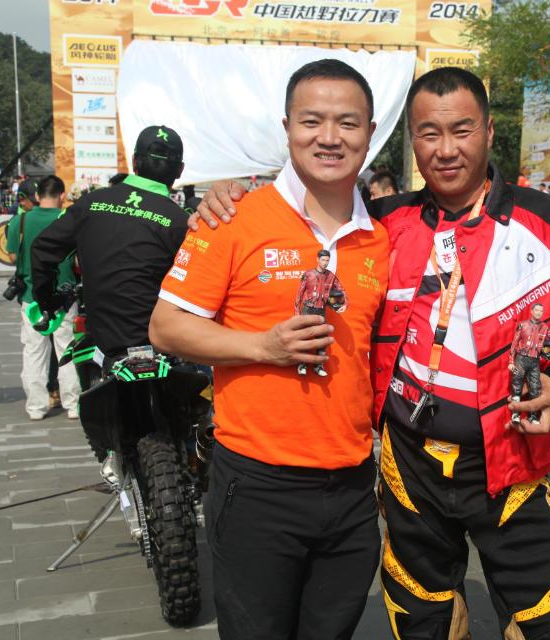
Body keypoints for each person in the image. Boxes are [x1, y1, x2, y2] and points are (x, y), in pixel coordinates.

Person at [195, 65, 550, 640]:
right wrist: (228, 195)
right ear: (410, 141)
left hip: (511, 459)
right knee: (421, 614)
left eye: (461, 130)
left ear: (489, 131)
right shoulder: (381, 225)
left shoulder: (544, 220)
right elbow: (308, 214)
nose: (446, 150)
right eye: (428, 134)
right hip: (409, 463)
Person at [148, 60, 389, 640]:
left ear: (370, 133)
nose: (329, 137)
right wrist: (262, 346)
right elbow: (166, 327)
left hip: (353, 488)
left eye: (347, 123)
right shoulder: (233, 217)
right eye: (312, 121)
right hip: (258, 487)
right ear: (287, 128)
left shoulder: (382, 237)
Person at [31, 125, 189, 367]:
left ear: (134, 161)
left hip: (102, 346)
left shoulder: (91, 203)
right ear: (180, 170)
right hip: (158, 347)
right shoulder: (181, 221)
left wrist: (47, 301)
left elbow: (42, 249)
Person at [5, 175, 80, 421]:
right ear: (62, 196)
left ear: (37, 196)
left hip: (31, 296)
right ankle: (73, 404)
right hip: (64, 296)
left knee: (34, 351)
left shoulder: (20, 221)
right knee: (67, 349)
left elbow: (12, 257)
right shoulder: (68, 219)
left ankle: (36, 407)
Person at [294, 248, 347, 377]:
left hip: (321, 310)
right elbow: (299, 293)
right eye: (323, 260)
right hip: (307, 309)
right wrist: (296, 312)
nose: (325, 263)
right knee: (305, 337)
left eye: (327, 260)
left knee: (321, 339)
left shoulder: (331, 276)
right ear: (317, 259)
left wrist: (344, 304)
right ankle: (302, 364)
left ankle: (318, 366)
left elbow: (341, 290)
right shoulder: (308, 274)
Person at [508, 302, 550, 424]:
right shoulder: (522, 325)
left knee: (535, 388)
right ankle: (515, 414)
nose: (539, 313)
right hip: (521, 359)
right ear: (531, 311)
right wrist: (511, 361)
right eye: (537, 310)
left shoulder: (545, 328)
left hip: (535, 362)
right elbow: (514, 343)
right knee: (517, 386)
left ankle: (532, 416)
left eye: (541, 311)